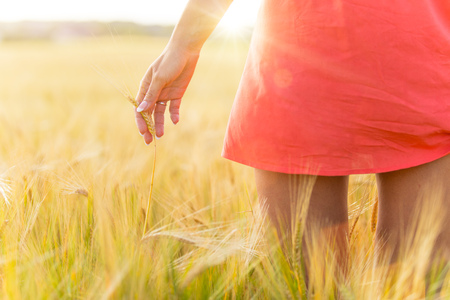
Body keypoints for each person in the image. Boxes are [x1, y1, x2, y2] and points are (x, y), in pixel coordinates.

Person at [135, 0, 450, 272]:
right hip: (304, 65)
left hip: (414, 63)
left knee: (413, 286)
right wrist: (184, 45)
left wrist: (184, 45)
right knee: (308, 286)